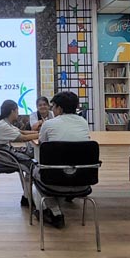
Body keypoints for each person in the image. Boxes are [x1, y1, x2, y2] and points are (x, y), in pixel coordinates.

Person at [31, 91, 91, 229]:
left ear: (59, 108)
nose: (52, 109)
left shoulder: (49, 124)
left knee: (33, 171)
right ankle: (61, 202)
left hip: (54, 178)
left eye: (53, 106)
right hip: (82, 178)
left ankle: (54, 212)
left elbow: (42, 144)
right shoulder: (83, 122)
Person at [0, 100, 39, 206]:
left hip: (4, 152)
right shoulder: (3, 125)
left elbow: (22, 132)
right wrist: (41, 135)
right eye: (17, 110)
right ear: (12, 111)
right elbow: (23, 138)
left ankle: (26, 196)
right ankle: (28, 198)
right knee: (31, 165)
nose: (18, 113)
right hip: (1, 156)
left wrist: (38, 132)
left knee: (30, 155)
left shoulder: (4, 122)